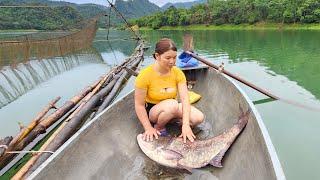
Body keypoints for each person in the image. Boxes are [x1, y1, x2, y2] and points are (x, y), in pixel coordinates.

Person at [134, 38, 204, 143]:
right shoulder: (145, 75)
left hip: (172, 107)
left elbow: (185, 100)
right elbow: (139, 105)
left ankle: (171, 120)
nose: (172, 61)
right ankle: (159, 127)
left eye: (174, 57)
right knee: (173, 104)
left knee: (198, 118)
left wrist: (185, 125)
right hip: (154, 111)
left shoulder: (177, 73)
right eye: (168, 58)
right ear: (157, 56)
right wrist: (148, 128)